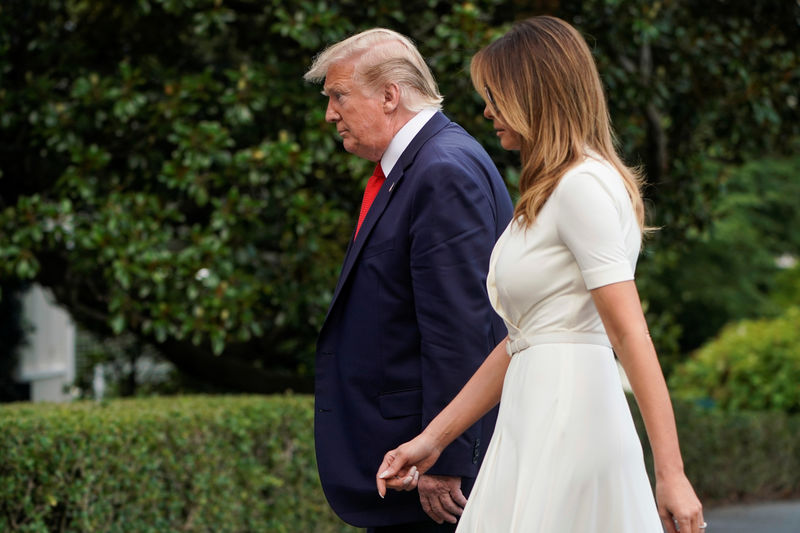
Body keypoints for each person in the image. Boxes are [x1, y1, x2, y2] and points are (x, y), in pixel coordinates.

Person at [376, 16, 705, 533]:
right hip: (533, 420)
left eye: (495, 94)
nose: (486, 111)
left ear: (535, 93)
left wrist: (672, 473)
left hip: (571, 422)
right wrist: (432, 440)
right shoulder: (552, 192)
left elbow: (629, 331)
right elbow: (520, 340)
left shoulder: (583, 186)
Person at [304, 28, 514, 532]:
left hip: (429, 477)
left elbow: (461, 329)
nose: (330, 114)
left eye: (338, 96)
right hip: (410, 463)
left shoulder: (441, 170)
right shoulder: (424, 164)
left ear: (390, 95)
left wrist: (446, 461)